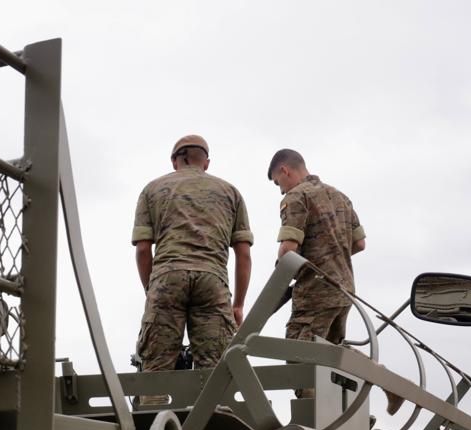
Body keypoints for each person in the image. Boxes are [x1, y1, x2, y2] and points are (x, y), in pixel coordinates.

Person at [131, 134, 254, 371]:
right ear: (206, 163)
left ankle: (153, 405)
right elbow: (244, 254)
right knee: (216, 372)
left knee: (156, 369)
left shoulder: (152, 190)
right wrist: (237, 305)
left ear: (174, 160)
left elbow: (143, 250)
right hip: (212, 281)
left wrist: (153, 290)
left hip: (167, 277)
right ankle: (216, 408)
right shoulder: (230, 193)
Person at [266, 148, 365, 345]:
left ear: (285, 170)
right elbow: (359, 243)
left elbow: (288, 250)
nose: (281, 190)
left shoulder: (295, 197)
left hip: (314, 295)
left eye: (278, 182)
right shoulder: (341, 197)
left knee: (299, 362)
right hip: (345, 293)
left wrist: (274, 291)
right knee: (328, 364)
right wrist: (327, 258)